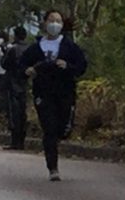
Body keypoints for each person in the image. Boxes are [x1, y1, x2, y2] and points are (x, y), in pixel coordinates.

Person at [20, 11, 88, 181]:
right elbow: (21, 65)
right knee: (49, 128)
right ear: (45, 23)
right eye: (51, 20)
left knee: (63, 127)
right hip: (43, 93)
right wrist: (28, 71)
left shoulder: (69, 46)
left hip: (65, 91)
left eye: (58, 21)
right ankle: (53, 167)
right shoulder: (36, 47)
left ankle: (60, 136)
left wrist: (67, 66)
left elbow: (81, 66)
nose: (54, 24)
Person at [0, 26, 31, 150]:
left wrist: (4, 53)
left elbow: (4, 64)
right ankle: (22, 140)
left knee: (13, 113)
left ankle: (15, 141)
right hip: (24, 82)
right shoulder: (29, 48)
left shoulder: (13, 49)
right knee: (23, 112)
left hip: (12, 83)